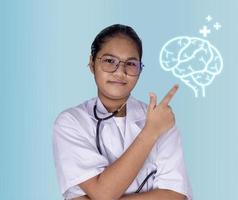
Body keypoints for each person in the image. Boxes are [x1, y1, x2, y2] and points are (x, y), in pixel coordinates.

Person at [52, 24, 192, 200]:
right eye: (110, 61)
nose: (120, 72)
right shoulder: (71, 122)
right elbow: (103, 194)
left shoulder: (160, 119)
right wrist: (150, 133)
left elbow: (175, 195)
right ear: (92, 63)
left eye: (131, 64)